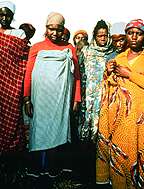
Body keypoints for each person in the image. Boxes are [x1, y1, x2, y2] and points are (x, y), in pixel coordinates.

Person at [23, 12, 81, 176]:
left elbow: (76, 76)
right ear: (46, 28)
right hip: (40, 100)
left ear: (64, 30)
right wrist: (27, 99)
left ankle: (54, 167)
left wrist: (76, 99)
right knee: (39, 130)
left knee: (58, 131)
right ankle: (37, 168)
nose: (54, 33)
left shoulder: (69, 49)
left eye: (59, 29)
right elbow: (29, 73)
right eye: (51, 29)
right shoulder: (36, 47)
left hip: (60, 101)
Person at [95, 19, 144, 189]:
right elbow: (110, 86)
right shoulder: (119, 58)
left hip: (140, 118)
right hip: (120, 118)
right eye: (131, 33)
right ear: (126, 35)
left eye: (139, 34)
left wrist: (129, 74)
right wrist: (108, 74)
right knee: (121, 151)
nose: (135, 37)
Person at [78, 19, 116, 142]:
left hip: (104, 96)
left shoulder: (112, 53)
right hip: (87, 96)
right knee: (85, 126)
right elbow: (79, 73)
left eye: (105, 35)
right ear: (95, 36)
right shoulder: (86, 52)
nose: (103, 38)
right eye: (100, 36)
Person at [0, 1, 28, 152]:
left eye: (8, 15)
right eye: (2, 15)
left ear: (13, 17)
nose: (4, 18)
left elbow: (23, 60)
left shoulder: (19, 34)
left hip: (11, 83)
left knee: (12, 118)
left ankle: (11, 152)